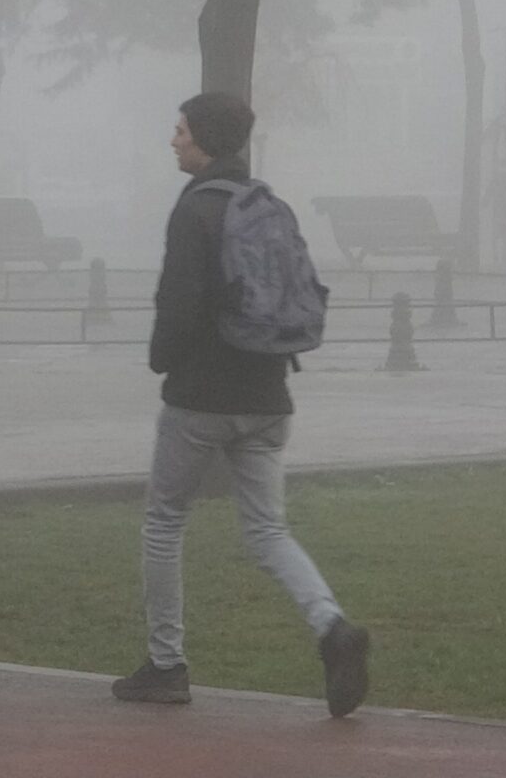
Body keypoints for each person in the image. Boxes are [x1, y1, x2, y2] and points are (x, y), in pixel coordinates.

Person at [111, 91, 372, 716]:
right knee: (267, 528)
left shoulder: (196, 209)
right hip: (268, 394)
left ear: (202, 138)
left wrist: (162, 359)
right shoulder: (266, 204)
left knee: (165, 523)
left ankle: (166, 665)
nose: (173, 140)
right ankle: (332, 628)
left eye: (180, 130)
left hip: (201, 397)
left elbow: (178, 301)